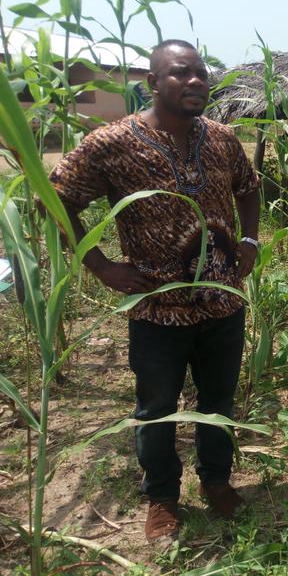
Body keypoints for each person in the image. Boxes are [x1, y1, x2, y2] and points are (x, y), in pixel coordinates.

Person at [49, 40, 260, 543]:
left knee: (218, 401)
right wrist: (99, 265)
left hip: (222, 299)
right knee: (157, 409)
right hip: (156, 310)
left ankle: (216, 481)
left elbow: (248, 189)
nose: (194, 82)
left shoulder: (222, 138)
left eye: (201, 74)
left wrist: (249, 240)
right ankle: (163, 498)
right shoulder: (112, 143)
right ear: (152, 83)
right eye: (180, 74)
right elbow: (56, 198)